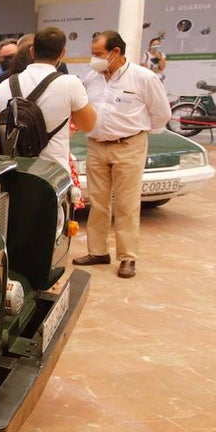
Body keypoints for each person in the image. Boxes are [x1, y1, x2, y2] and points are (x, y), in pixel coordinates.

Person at [74, 30, 171, 279]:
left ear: (115, 52)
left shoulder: (143, 78)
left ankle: (127, 257)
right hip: (96, 145)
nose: (93, 59)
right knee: (97, 203)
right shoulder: (92, 77)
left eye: (98, 54)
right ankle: (98, 252)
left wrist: (139, 134)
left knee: (127, 204)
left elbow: (161, 113)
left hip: (129, 146)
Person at [0, 26, 97, 173]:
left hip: (14, 174)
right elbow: (88, 125)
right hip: (53, 173)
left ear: (32, 51)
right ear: (62, 53)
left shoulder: (5, 86)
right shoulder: (70, 84)